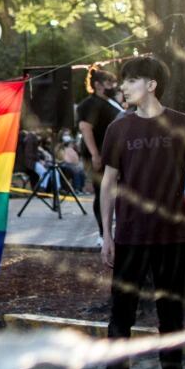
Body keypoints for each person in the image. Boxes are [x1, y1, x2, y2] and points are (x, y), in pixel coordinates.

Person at [99, 55, 185, 369]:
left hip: (173, 235)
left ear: (151, 85)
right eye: (123, 80)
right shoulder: (118, 128)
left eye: (131, 80)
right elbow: (108, 183)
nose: (124, 86)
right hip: (130, 234)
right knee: (121, 313)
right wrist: (106, 234)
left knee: (171, 315)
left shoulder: (183, 124)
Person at [77, 65, 124, 243]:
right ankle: (103, 234)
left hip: (113, 154)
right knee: (102, 192)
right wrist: (95, 155)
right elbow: (85, 128)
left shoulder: (111, 102)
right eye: (109, 82)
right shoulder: (88, 104)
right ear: (97, 84)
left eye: (114, 82)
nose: (113, 86)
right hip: (98, 155)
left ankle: (116, 231)